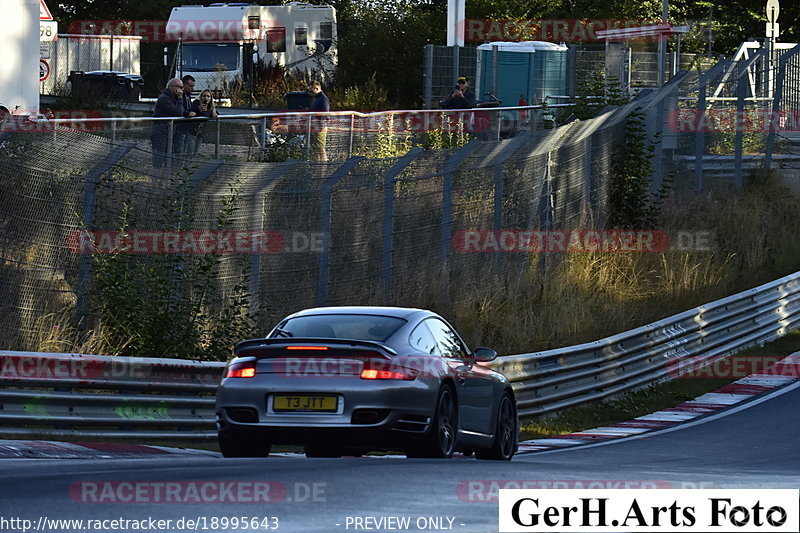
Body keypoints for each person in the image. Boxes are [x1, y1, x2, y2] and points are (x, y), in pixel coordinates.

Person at [150, 78, 195, 168]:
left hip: (169, 132)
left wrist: (187, 113)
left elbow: (180, 110)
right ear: (174, 87)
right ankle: (155, 180)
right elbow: (178, 112)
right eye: (180, 88)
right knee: (159, 158)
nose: (182, 90)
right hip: (160, 132)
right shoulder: (165, 98)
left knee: (168, 158)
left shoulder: (171, 98)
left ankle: (165, 180)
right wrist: (180, 98)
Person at [189, 88, 219, 156]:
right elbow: (193, 111)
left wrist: (214, 113)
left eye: (208, 96)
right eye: (204, 96)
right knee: (189, 151)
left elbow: (216, 114)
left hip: (201, 132)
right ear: (201, 97)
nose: (206, 98)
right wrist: (199, 109)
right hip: (192, 131)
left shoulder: (211, 107)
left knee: (196, 151)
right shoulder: (196, 103)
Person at [308, 80, 329, 162]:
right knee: (316, 148)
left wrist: (321, 126)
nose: (310, 92)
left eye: (311, 90)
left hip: (320, 127)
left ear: (316, 88)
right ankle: (316, 165)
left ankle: (324, 166)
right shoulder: (316, 98)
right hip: (314, 126)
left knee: (321, 148)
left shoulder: (323, 99)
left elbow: (325, 114)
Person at [175, 75, 196, 157]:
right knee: (179, 153)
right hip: (179, 128)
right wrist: (187, 113)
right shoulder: (179, 96)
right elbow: (178, 109)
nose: (193, 88)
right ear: (184, 85)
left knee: (187, 152)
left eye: (193, 86)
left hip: (187, 128)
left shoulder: (188, 96)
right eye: (190, 86)